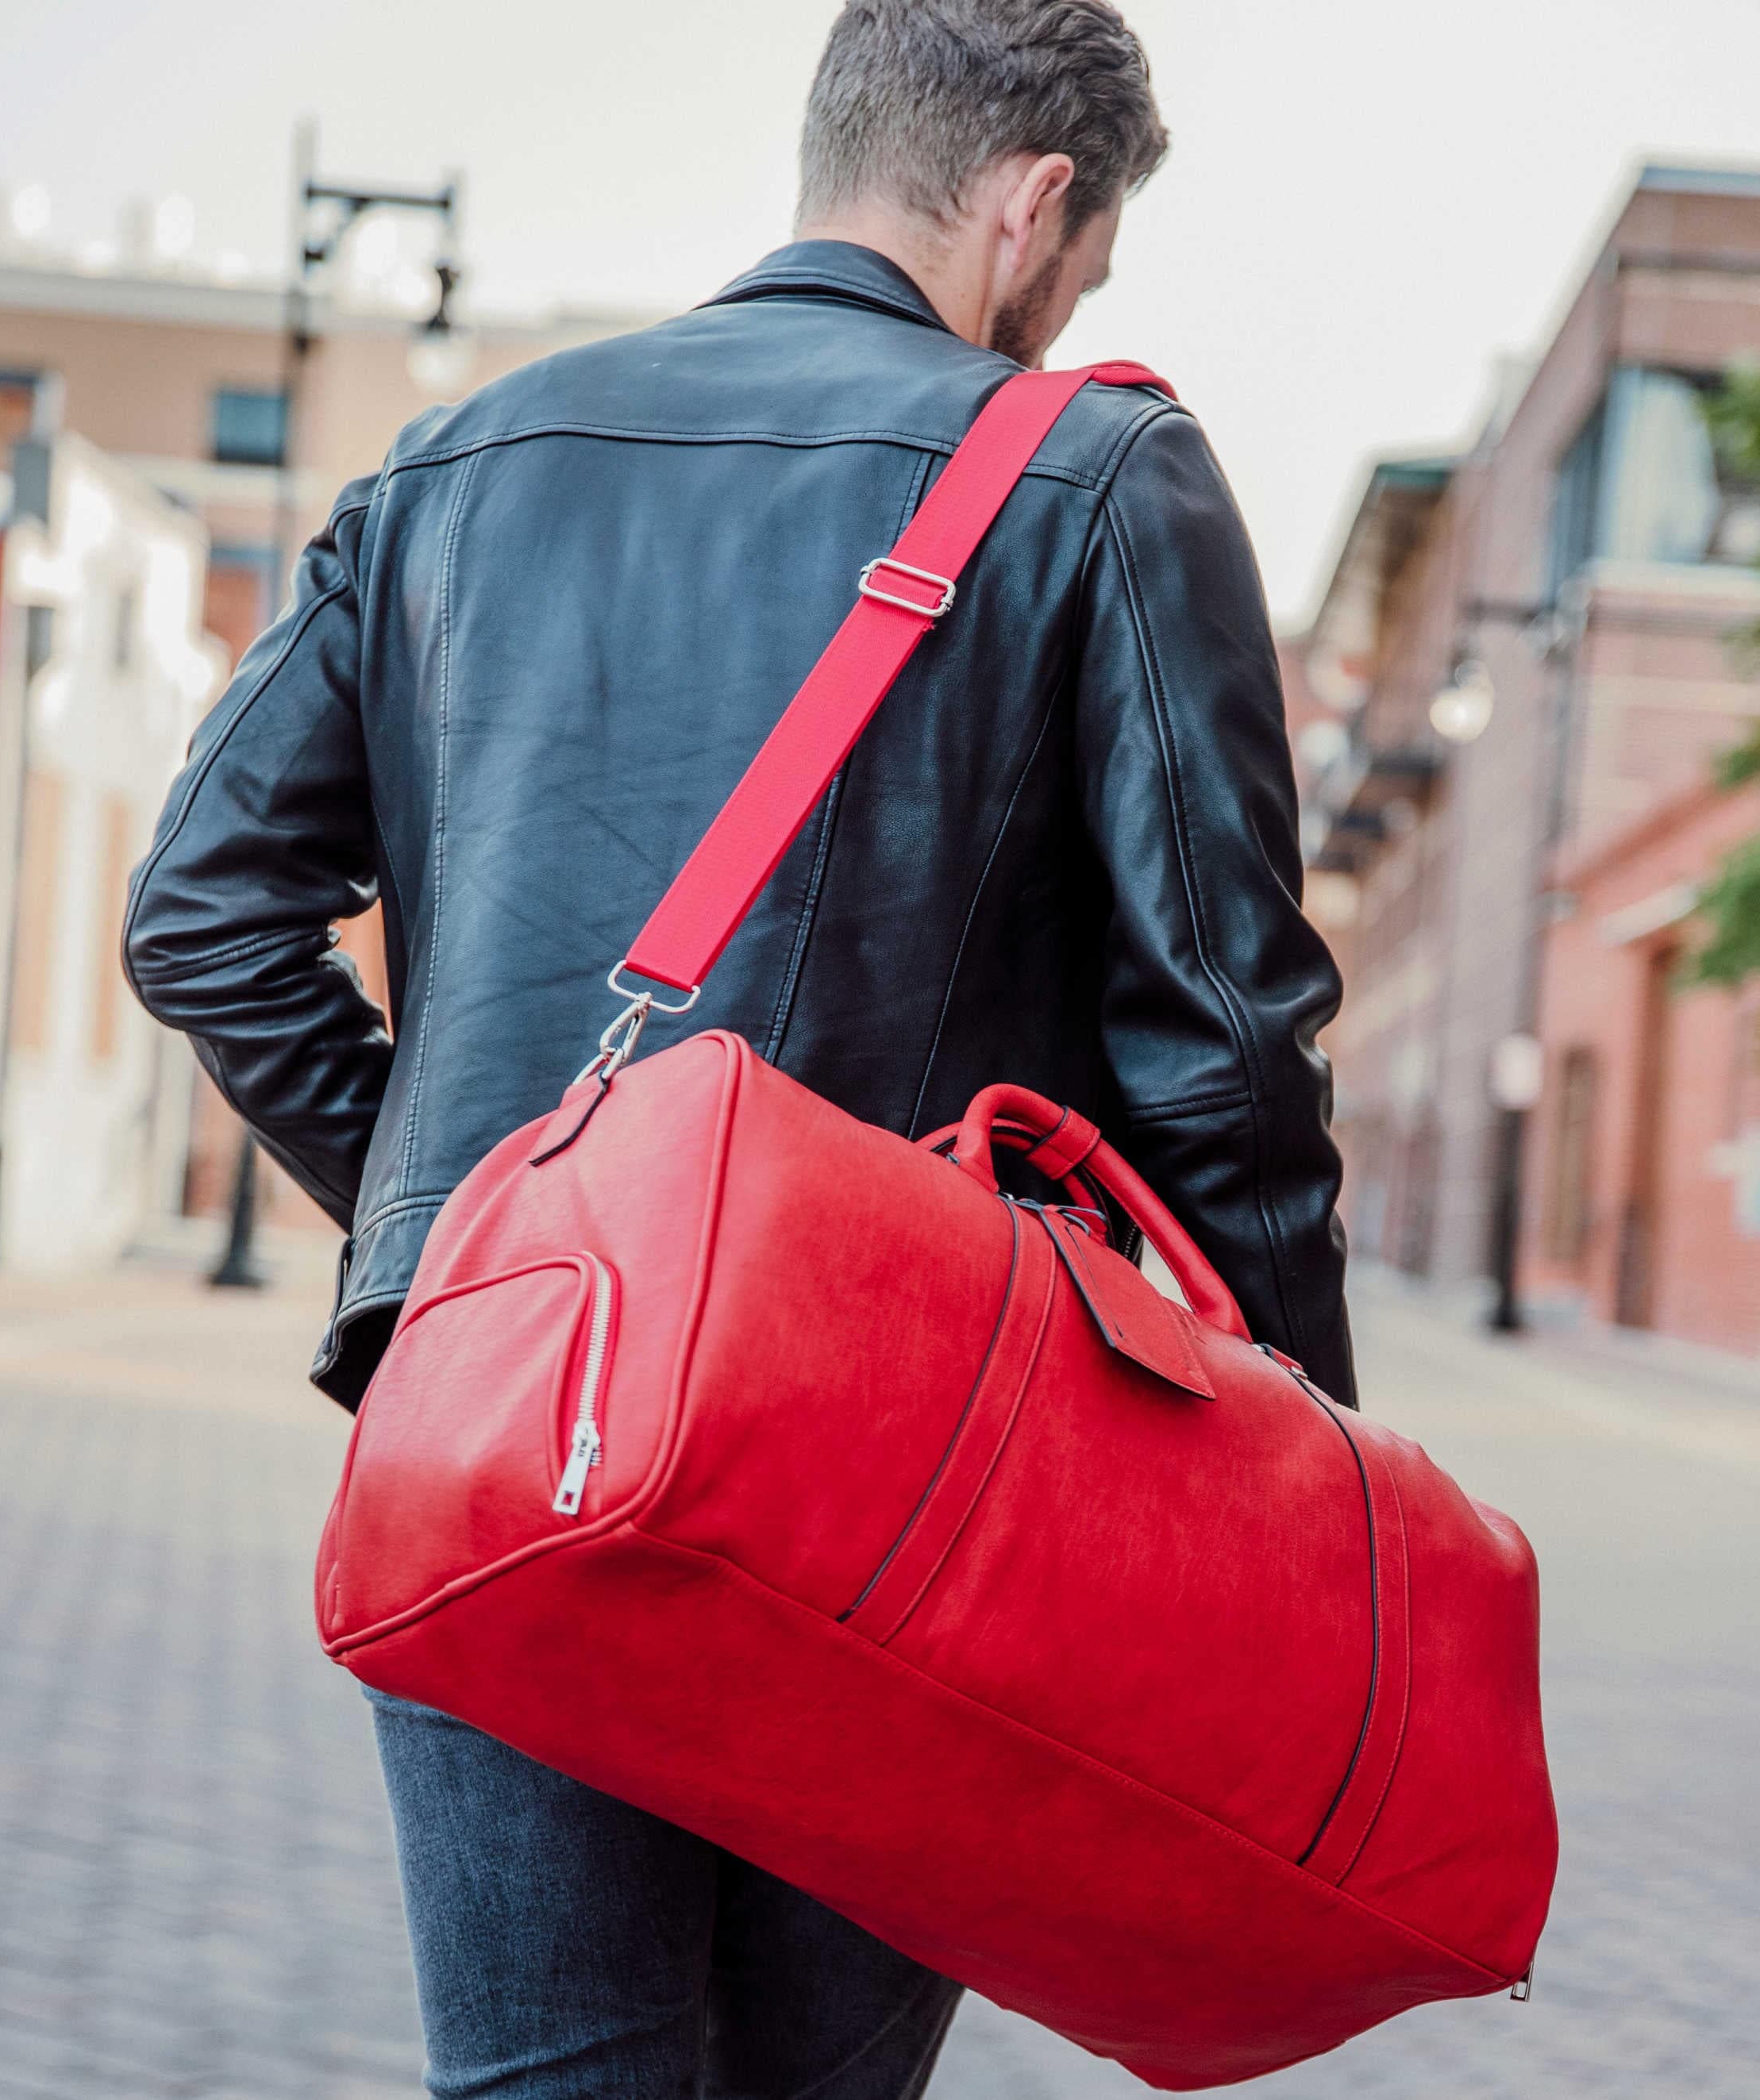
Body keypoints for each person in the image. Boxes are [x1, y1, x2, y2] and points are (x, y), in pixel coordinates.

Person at [125, 3, 1352, 2092]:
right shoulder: (1099, 474)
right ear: (1032, 207)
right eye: (1078, 274)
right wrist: (1301, 1478)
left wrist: (506, 1253)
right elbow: (1227, 1047)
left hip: (509, 1432)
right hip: (904, 1475)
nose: (1056, 326)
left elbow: (204, 923)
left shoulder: (449, 464)